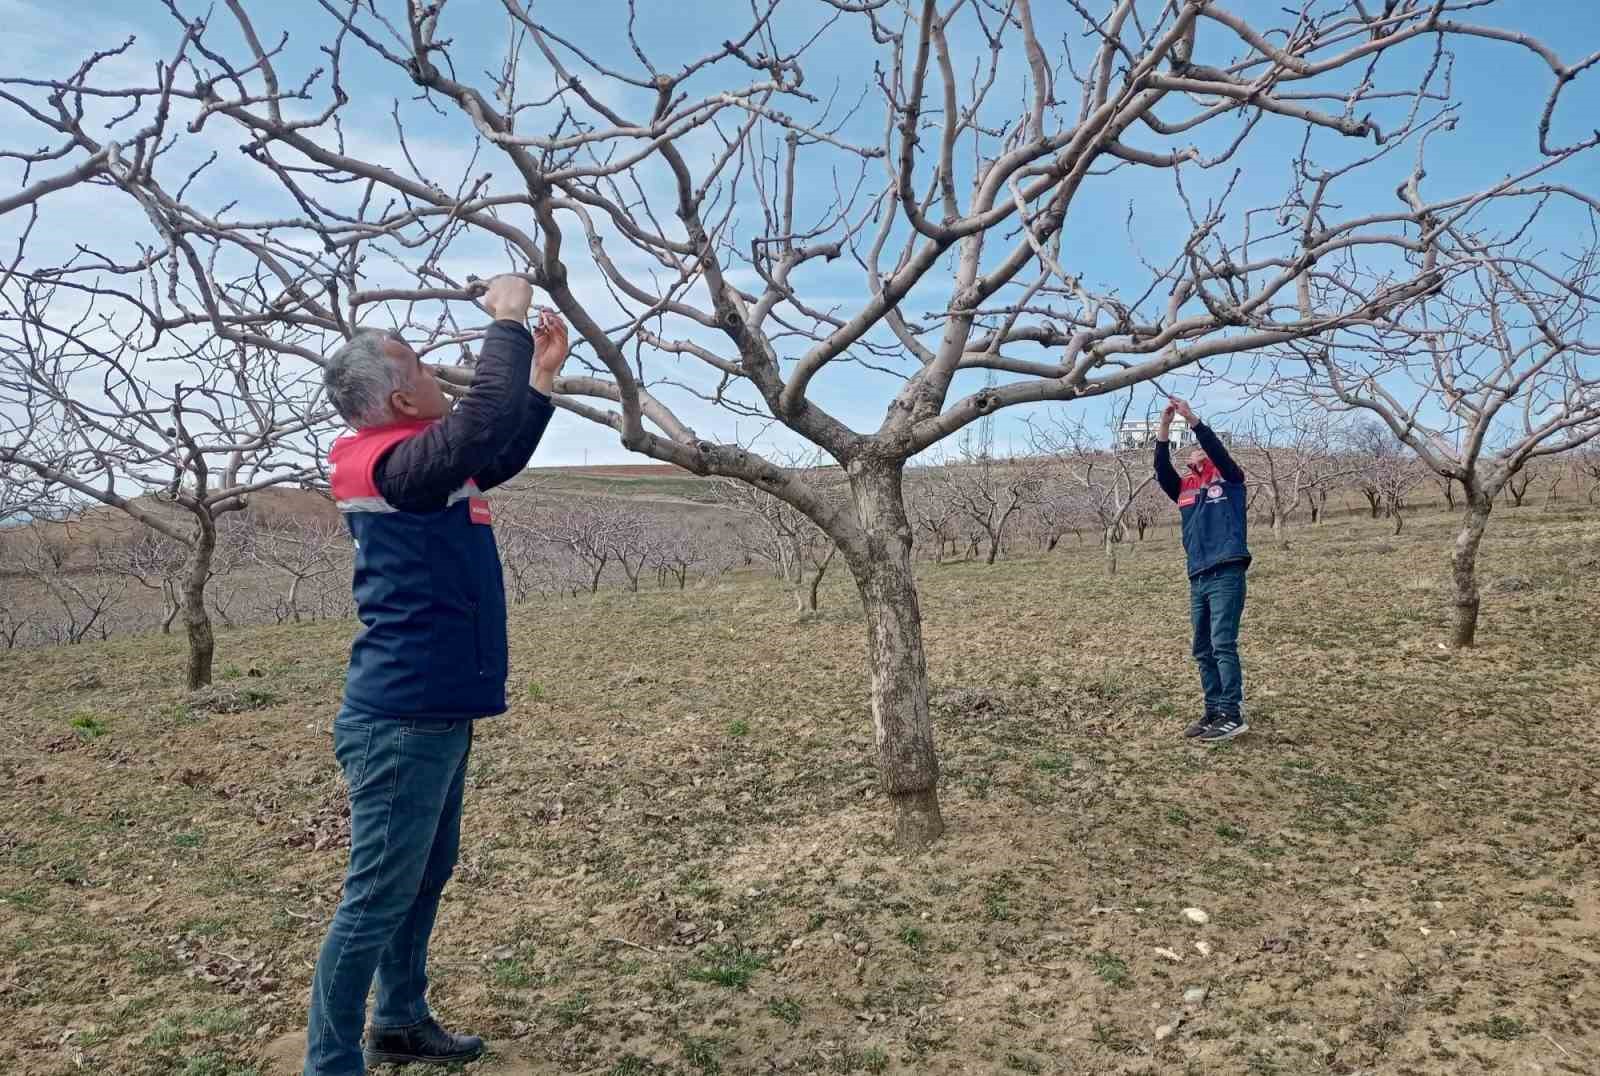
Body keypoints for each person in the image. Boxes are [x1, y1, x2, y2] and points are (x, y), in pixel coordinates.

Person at [305, 275, 568, 1075]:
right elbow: (480, 424)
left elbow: (494, 450)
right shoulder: (391, 467)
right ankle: (330, 1062)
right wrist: (509, 320)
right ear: (393, 398)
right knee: (376, 896)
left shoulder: (412, 464)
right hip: (403, 716)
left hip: (434, 708)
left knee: (424, 875)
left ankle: (401, 1020)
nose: (433, 377)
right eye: (418, 369)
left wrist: (540, 381)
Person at [1154, 397, 1251, 744]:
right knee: (1202, 647)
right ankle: (1213, 709)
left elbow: (1216, 449)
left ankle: (1232, 713)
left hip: (1226, 569)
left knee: (1223, 642)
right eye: (1190, 451)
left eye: (1201, 451)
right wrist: (1164, 427)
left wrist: (1192, 419)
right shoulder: (1185, 489)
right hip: (1198, 574)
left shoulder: (1229, 480)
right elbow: (1161, 468)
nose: (1195, 453)